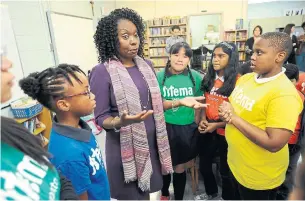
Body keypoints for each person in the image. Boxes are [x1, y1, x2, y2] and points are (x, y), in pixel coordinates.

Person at [90, 8, 206, 200]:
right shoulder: (102, 72)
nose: (133, 40)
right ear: (111, 38)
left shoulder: (146, 66)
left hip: (151, 145)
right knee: (131, 197)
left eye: (135, 35)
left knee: (146, 195)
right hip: (124, 149)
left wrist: (181, 101)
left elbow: (156, 104)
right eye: (125, 36)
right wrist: (120, 122)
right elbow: (101, 118)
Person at [218, 32, 303, 200]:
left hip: (259, 176)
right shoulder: (247, 79)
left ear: (279, 56)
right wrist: (227, 111)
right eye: (252, 52)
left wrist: (233, 118)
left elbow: (274, 143)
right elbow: (237, 110)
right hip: (236, 163)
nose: (252, 57)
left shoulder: (283, 94)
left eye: (259, 52)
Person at [19, 64, 110, 200]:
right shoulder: (70, 156)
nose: (93, 95)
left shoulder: (80, 127)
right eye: (86, 92)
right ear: (63, 104)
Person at [157, 42, 204, 200]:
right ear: (169, 56)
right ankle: (164, 194)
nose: (180, 59)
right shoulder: (159, 77)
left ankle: (178, 197)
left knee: (180, 166)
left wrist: (197, 121)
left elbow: (201, 101)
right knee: (164, 165)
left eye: (185, 56)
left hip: (186, 129)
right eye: (176, 55)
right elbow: (156, 104)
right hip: (164, 128)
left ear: (189, 59)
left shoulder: (196, 77)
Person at [195, 42, 239, 200]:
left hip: (226, 131)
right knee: (205, 166)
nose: (216, 59)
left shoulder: (238, 81)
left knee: (225, 171)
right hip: (208, 127)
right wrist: (202, 120)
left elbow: (238, 116)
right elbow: (203, 104)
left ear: (231, 58)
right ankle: (211, 193)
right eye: (214, 55)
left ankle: (227, 197)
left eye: (221, 56)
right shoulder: (208, 78)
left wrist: (217, 125)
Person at [276, 63, 305, 200]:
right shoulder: (279, 94)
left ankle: (282, 195)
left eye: (288, 81)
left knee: (288, 171)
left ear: (295, 81)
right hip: (282, 139)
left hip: (292, 141)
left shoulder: (297, 97)